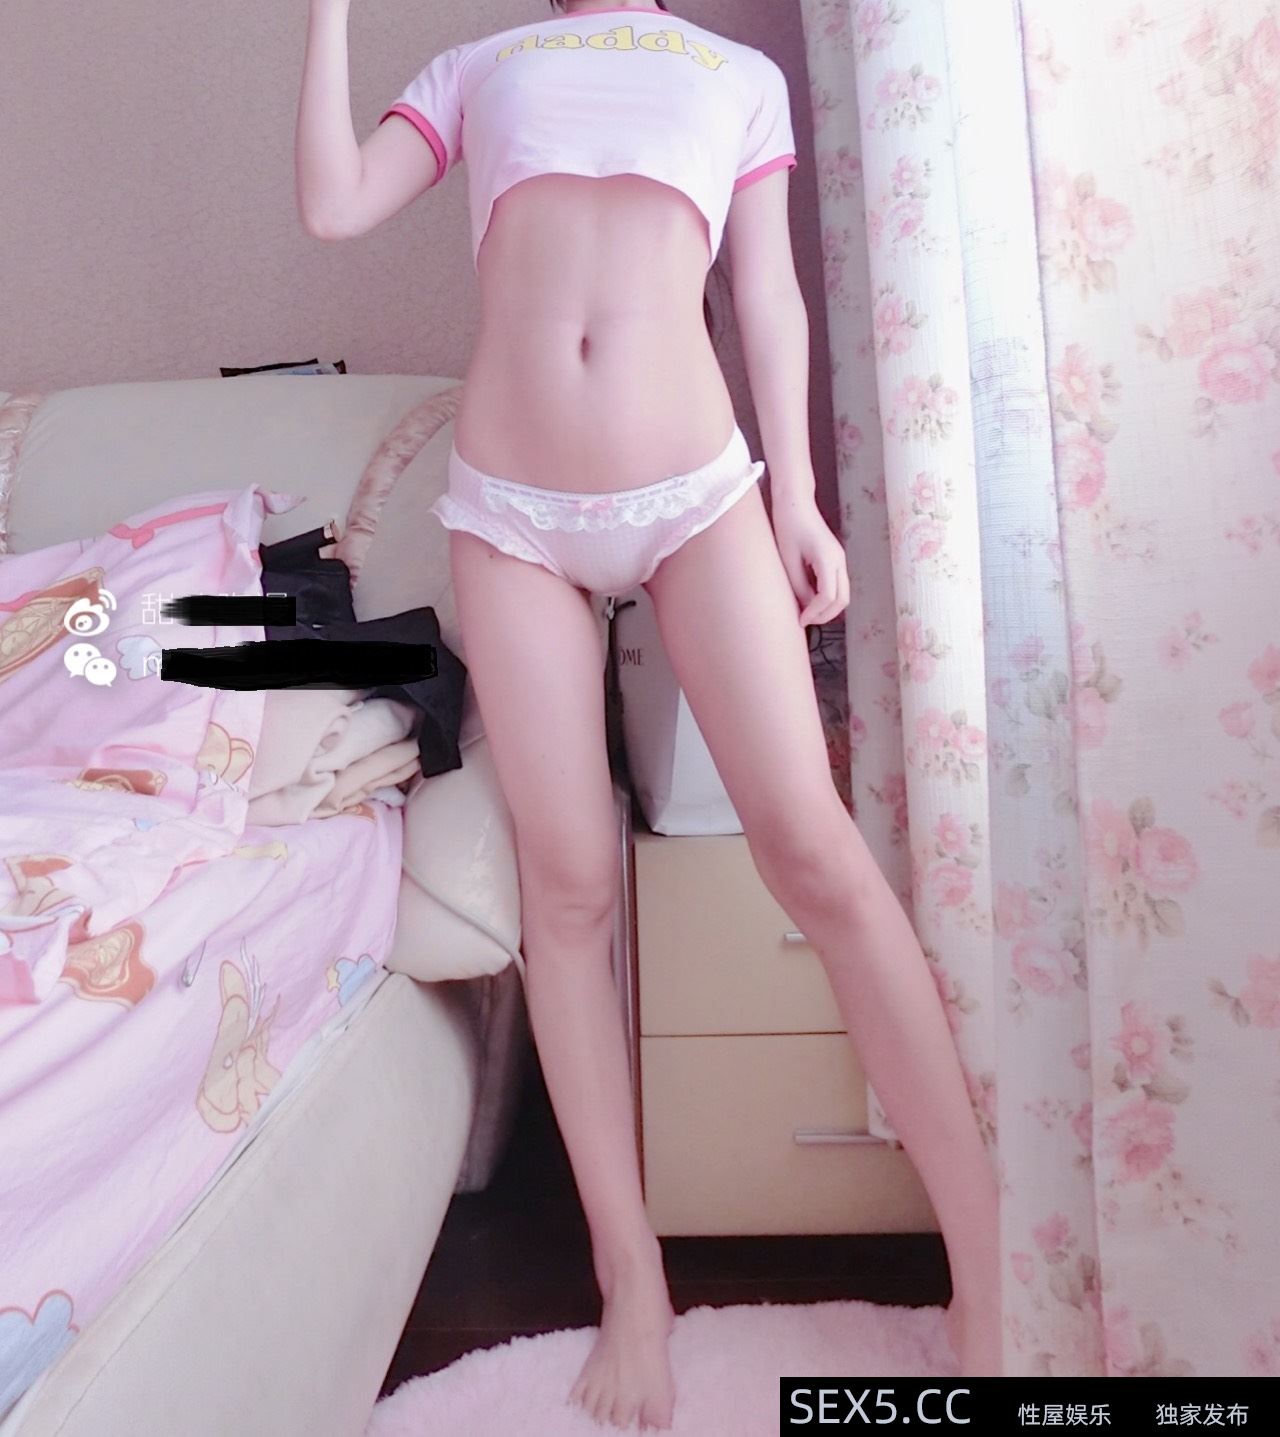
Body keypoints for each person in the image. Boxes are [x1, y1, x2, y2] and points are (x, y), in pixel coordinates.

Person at [296, 0, 1003, 1427]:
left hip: (696, 493)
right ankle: (633, 1286)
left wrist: (798, 498)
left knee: (818, 855)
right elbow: (334, 205)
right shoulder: (483, 67)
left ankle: (991, 1269)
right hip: (512, 513)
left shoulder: (737, 78)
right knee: (567, 894)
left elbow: (768, 296)